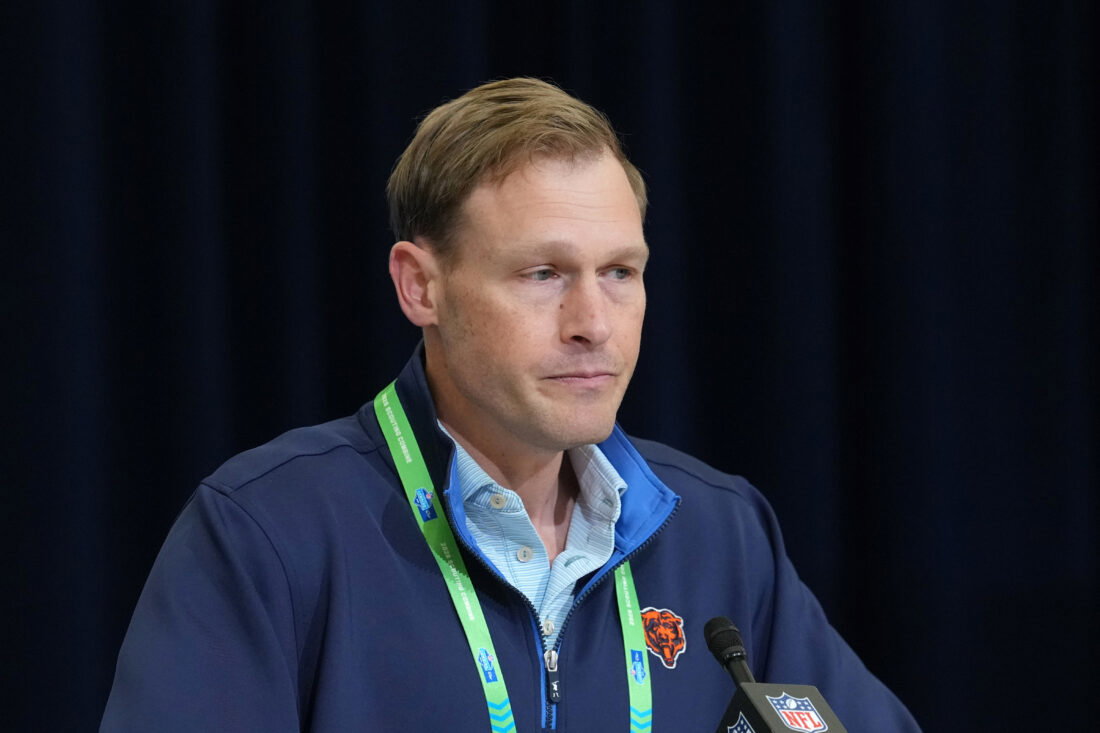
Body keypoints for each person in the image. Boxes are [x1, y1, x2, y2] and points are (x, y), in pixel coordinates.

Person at [101, 77, 919, 732]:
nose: (593, 323)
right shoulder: (268, 531)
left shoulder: (719, 530)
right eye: (543, 275)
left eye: (620, 272)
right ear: (420, 286)